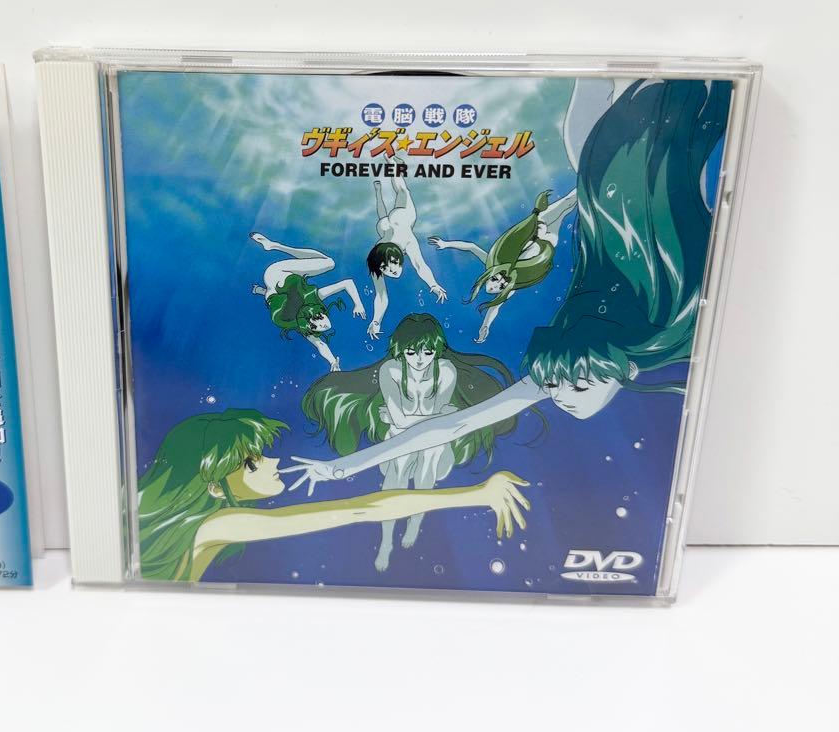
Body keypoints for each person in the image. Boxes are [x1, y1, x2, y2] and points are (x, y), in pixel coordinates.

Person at [283, 77, 732, 494]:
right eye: (568, 387)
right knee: (620, 135)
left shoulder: (573, 364)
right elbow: (451, 425)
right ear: (628, 371)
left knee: (592, 126)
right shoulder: (677, 314)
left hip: (604, 188)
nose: (559, 396)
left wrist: (342, 468)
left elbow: (452, 426)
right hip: (649, 190)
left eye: (561, 388)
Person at [137, 409, 530, 582]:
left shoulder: (200, 522)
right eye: (252, 463)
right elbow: (361, 510)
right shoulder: (217, 524)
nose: (273, 461)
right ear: (212, 484)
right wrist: (475, 494)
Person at [301, 312, 525, 571]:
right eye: (411, 352)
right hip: (399, 442)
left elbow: (427, 426)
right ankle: (386, 540)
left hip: (434, 445)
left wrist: (418, 419)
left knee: (429, 454)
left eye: (427, 352)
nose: (420, 359)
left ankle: (415, 523)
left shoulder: (446, 370)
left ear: (437, 350)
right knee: (399, 466)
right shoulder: (391, 370)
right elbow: (419, 419)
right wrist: (434, 417)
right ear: (400, 350)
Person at [429, 188, 576, 342]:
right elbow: (495, 307)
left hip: (538, 226)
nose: (496, 285)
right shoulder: (514, 284)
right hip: (547, 242)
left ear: (488, 277)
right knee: (566, 210)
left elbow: (471, 247)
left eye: (494, 280)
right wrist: (485, 326)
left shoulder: (492, 263)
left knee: (567, 203)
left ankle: (587, 181)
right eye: (500, 286)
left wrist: (446, 244)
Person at [250, 231, 365, 370]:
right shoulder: (300, 320)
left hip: (278, 271)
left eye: (320, 324)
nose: (324, 323)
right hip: (271, 284)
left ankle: (275, 246)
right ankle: (273, 250)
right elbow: (320, 344)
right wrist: (333, 362)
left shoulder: (312, 298)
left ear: (314, 319)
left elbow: (347, 283)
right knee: (279, 293)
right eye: (323, 324)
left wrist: (358, 304)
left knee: (329, 262)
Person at [366, 175, 447, 339]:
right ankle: (378, 192)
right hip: (386, 225)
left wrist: (433, 284)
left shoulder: (407, 239)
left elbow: (419, 265)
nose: (392, 270)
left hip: (404, 217)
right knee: (382, 218)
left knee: (403, 190)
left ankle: (393, 165)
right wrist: (376, 321)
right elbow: (381, 296)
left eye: (393, 263)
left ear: (399, 256)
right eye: (385, 268)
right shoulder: (376, 259)